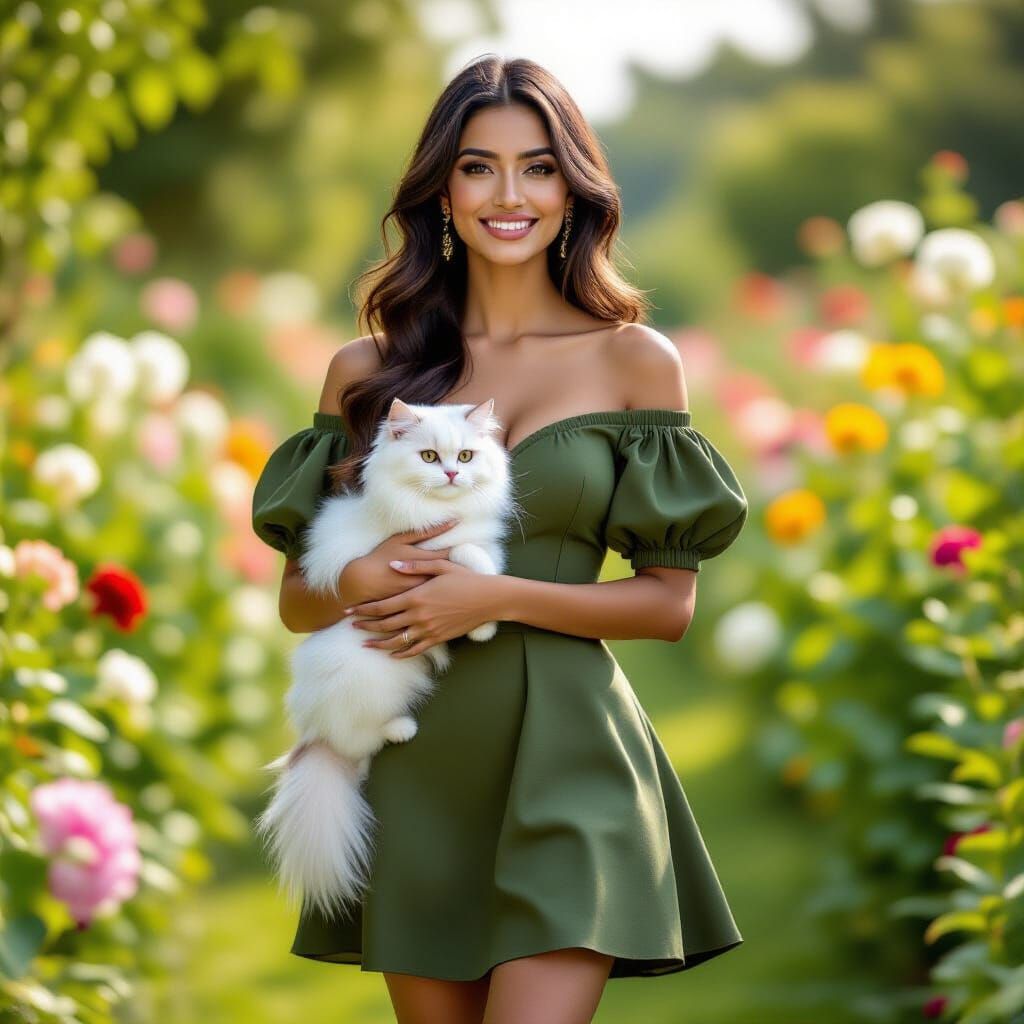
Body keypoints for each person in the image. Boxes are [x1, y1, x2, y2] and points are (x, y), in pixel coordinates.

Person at [252, 54, 749, 1024]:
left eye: (539, 166)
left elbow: (666, 604)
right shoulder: (366, 369)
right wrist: (355, 569)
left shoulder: (634, 361)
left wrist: (495, 596)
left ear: (575, 188)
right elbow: (297, 601)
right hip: (416, 763)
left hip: (572, 756)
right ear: (442, 189)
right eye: (479, 166)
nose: (509, 194)